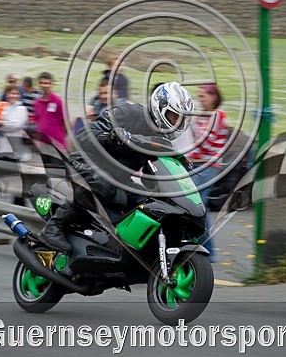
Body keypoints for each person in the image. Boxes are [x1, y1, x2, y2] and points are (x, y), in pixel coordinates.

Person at [38, 81, 195, 254]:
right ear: (161, 107)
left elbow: (151, 173)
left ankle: (123, 247)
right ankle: (54, 227)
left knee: (147, 201)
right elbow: (85, 135)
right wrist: (111, 136)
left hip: (118, 176)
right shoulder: (128, 113)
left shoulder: (160, 139)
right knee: (104, 183)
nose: (176, 123)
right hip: (86, 162)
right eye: (174, 116)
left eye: (180, 119)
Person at [186, 83, 229, 263]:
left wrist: (191, 155)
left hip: (209, 166)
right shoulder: (202, 116)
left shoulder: (218, 116)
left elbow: (206, 141)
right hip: (198, 164)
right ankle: (199, 247)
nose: (200, 100)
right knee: (195, 206)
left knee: (197, 206)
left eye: (203, 96)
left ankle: (207, 250)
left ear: (213, 97)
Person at [34, 72, 68, 150]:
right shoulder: (36, 102)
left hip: (57, 145)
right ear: (38, 84)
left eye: (47, 83)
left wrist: (60, 139)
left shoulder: (58, 101)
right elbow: (38, 123)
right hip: (43, 145)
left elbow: (66, 123)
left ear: (52, 84)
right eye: (42, 83)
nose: (44, 85)